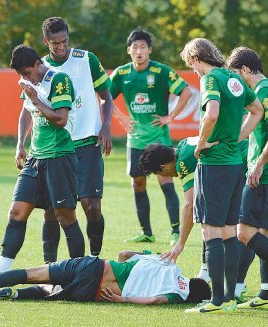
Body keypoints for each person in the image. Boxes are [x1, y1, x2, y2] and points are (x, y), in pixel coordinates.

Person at [16, 17, 114, 260]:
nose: (61, 47)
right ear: (45, 41)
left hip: (87, 144)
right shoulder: (37, 68)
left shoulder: (86, 59)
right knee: (51, 211)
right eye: (55, 43)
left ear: (69, 37)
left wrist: (107, 126)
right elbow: (27, 110)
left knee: (92, 206)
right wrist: (20, 142)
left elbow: (106, 96)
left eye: (64, 41)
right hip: (57, 150)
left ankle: (93, 257)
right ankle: (50, 265)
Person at [179, 38, 264, 314]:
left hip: (214, 164)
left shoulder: (211, 79)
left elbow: (211, 113)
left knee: (210, 231)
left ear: (196, 57)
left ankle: (216, 301)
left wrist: (201, 143)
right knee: (228, 232)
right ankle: (229, 297)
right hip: (234, 164)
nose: (193, 70)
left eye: (191, 64)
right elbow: (258, 111)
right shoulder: (233, 77)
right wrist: (237, 136)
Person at [0, 45, 80, 274]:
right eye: (21, 76)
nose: (25, 79)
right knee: (16, 212)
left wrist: (37, 100)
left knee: (64, 216)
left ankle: (81, 272)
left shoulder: (60, 80)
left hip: (60, 157)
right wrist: (21, 143)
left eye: (27, 73)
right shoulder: (29, 84)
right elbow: (25, 110)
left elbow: (60, 119)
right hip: (35, 158)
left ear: (38, 64)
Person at [138, 136, 254, 304]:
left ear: (163, 166)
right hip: (238, 165)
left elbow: (189, 204)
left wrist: (180, 243)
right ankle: (207, 274)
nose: (164, 176)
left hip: (248, 165)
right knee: (212, 220)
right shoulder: (183, 144)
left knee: (246, 230)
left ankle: (239, 285)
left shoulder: (183, 162)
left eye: (159, 173)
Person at [109, 28, 192, 246]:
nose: (139, 51)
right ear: (129, 50)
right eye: (135, 47)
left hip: (159, 139)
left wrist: (170, 116)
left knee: (166, 181)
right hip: (135, 140)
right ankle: (147, 232)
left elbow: (186, 92)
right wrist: (120, 117)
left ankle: (176, 231)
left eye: (142, 47)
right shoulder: (122, 74)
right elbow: (103, 96)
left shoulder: (161, 72)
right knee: (138, 184)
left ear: (149, 50)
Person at [227, 46, 268, 310]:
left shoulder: (265, 91)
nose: (234, 81)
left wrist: (258, 166)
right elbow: (252, 128)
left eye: (235, 74)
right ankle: (267, 294)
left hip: (266, 174)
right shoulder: (265, 90)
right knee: (265, 233)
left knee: (244, 232)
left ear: (244, 70)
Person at [0, 251, 211, 305]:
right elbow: (153, 300)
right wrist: (121, 298)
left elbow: (124, 253)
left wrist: (147, 253)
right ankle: (13, 295)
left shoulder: (166, 263)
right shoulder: (179, 296)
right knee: (49, 292)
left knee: (29, 273)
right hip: (94, 291)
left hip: (92, 266)